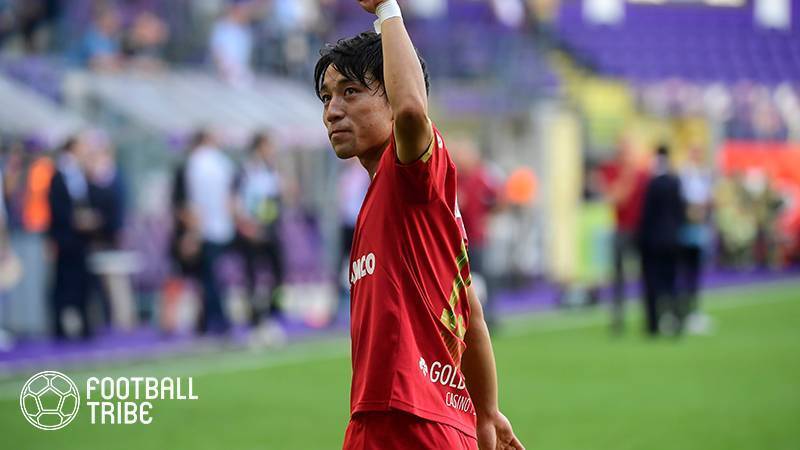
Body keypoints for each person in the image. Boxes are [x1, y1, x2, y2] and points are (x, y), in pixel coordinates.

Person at [314, 2, 524, 449]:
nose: (332, 110)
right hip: (411, 419)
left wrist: (386, 9)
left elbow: (411, 111)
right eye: (327, 97)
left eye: (350, 91)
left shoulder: (408, 176)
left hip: (408, 421)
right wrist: (486, 412)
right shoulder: (389, 199)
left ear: (392, 98)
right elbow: (469, 310)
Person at [235, 132, 286, 346]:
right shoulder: (245, 171)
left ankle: (272, 315)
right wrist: (246, 226)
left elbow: (277, 199)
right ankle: (254, 321)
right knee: (251, 277)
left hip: (270, 230)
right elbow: (235, 200)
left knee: (278, 274)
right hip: (250, 231)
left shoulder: (271, 171)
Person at [48, 134, 101, 340]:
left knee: (82, 283)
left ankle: (84, 325)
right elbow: (57, 208)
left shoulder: (81, 174)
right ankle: (60, 327)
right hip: (65, 238)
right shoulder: (59, 175)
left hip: (80, 240)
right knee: (63, 283)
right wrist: (75, 220)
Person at [185, 130, 235, 335]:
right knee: (216, 276)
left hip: (206, 228)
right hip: (223, 227)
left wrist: (193, 232)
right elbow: (230, 196)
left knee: (208, 279)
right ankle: (209, 321)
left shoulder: (196, 163)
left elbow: (195, 201)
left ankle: (216, 320)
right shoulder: (222, 162)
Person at [637, 144, 686, 336]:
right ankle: (676, 320)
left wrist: (642, 239)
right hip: (672, 240)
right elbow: (680, 213)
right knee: (672, 282)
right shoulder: (675, 182)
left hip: (653, 242)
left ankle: (653, 324)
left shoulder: (652, 184)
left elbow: (647, 216)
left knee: (652, 283)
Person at [602, 138, 649, 334]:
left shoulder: (643, 174)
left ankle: (650, 318)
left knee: (647, 275)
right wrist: (627, 177)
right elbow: (616, 199)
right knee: (618, 277)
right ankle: (618, 319)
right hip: (621, 229)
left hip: (641, 229)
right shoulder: (613, 171)